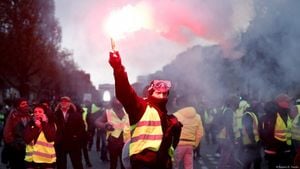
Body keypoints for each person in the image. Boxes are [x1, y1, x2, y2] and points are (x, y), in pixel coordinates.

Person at [108, 50, 182, 169]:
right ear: (150, 93)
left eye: (165, 94)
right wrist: (118, 67)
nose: (162, 97)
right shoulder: (141, 108)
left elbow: (171, 145)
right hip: (143, 164)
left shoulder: (171, 120)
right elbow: (125, 92)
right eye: (158, 93)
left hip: (163, 164)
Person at [259, 94, 294, 169]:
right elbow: (266, 133)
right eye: (287, 101)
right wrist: (274, 148)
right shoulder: (272, 115)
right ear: (280, 102)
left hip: (285, 150)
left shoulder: (286, 114)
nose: (289, 103)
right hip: (274, 151)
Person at [95, 97, 131, 169]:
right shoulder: (108, 112)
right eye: (116, 99)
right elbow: (97, 122)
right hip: (113, 142)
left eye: (119, 99)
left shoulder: (128, 111)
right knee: (113, 164)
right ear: (113, 101)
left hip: (126, 143)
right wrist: (105, 125)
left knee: (125, 165)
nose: (118, 102)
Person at [54, 96, 86, 169]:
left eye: (66, 101)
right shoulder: (55, 114)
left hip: (73, 143)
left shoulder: (76, 114)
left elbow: (82, 127)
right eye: (62, 101)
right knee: (61, 164)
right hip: (60, 143)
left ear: (70, 103)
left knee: (77, 163)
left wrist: (76, 136)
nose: (64, 102)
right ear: (60, 103)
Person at [173, 96, 204, 169]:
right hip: (190, 145)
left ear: (181, 104)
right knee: (189, 166)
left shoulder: (176, 116)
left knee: (174, 166)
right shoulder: (197, 116)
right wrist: (195, 144)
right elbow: (200, 133)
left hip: (178, 145)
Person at [23, 104, 56, 169]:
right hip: (31, 160)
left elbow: (50, 138)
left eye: (40, 112)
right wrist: (36, 127)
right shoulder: (30, 124)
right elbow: (27, 139)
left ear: (45, 114)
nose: (37, 113)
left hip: (47, 160)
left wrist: (43, 124)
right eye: (35, 112)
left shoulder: (51, 124)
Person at [3, 98, 32, 169]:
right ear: (18, 106)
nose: (25, 105)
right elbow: (7, 131)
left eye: (26, 103)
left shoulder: (29, 115)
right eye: (23, 104)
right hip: (16, 148)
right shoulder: (13, 116)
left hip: (27, 147)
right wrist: (13, 143)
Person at [239, 101, 262, 169]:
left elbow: (250, 129)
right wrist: (254, 142)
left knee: (253, 160)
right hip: (252, 142)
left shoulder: (248, 115)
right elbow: (249, 129)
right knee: (252, 161)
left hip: (251, 141)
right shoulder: (251, 114)